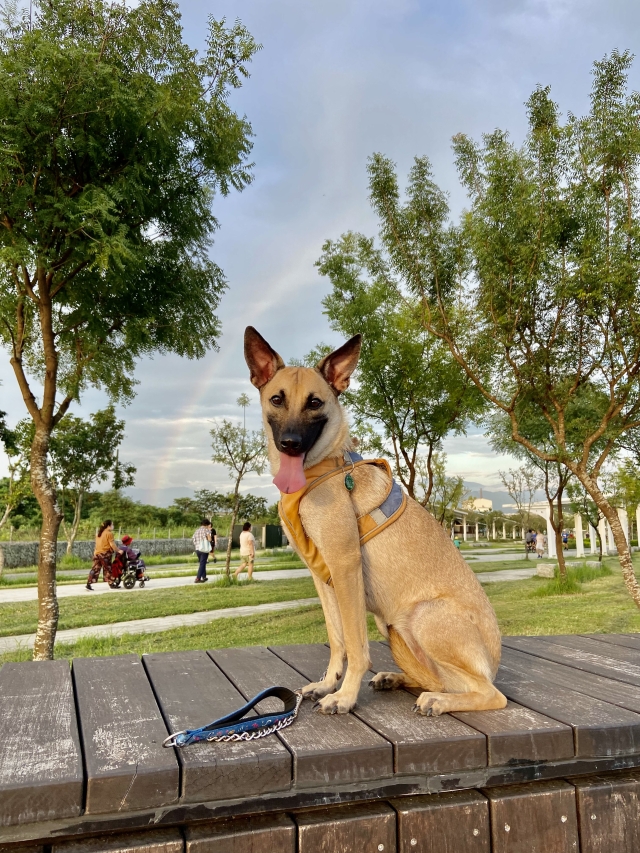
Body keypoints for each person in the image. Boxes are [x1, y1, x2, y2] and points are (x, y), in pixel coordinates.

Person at [87, 519, 123, 590]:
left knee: (95, 569)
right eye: (112, 525)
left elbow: (97, 544)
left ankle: (89, 583)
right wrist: (118, 551)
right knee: (108, 569)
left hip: (97, 553)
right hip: (105, 554)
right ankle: (111, 583)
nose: (113, 526)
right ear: (108, 526)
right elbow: (112, 544)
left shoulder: (99, 533)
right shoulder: (109, 533)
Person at [192, 519, 212, 583]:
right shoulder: (206, 530)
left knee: (202, 563)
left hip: (197, 549)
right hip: (204, 549)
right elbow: (209, 539)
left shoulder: (196, 531)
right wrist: (208, 539)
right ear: (206, 524)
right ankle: (198, 578)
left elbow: (193, 539)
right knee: (202, 564)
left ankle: (204, 577)